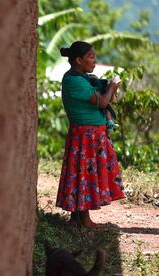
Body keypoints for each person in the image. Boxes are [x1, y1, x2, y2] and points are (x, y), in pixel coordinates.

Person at [55, 41, 125, 228]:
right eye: (91, 57)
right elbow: (102, 102)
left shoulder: (82, 78)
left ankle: (77, 217)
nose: (94, 61)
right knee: (84, 174)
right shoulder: (74, 81)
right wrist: (112, 86)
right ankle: (84, 220)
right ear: (78, 60)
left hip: (91, 135)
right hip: (86, 136)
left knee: (82, 173)